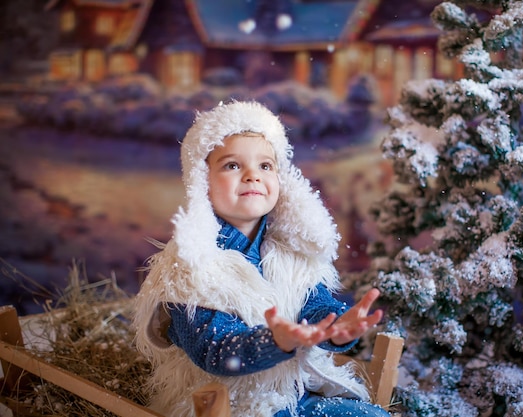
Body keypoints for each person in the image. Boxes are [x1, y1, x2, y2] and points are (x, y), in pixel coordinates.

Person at [132, 101, 389, 417]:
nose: (253, 176)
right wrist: (275, 341)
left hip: (295, 391)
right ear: (201, 181)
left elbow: (314, 304)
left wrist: (334, 325)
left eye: (265, 166)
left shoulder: (290, 251)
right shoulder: (189, 267)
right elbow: (215, 350)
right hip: (228, 404)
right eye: (232, 165)